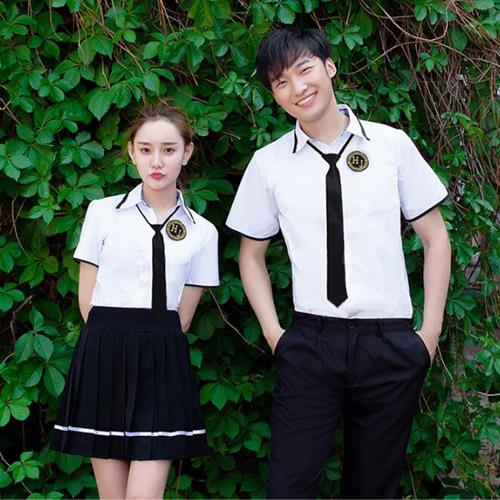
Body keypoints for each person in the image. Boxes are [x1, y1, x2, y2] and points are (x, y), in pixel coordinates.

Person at [226, 27, 451, 499]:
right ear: (274, 94)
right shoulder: (269, 163)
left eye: (304, 69)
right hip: (311, 342)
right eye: (281, 82)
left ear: (329, 66)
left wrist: (428, 333)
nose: (297, 88)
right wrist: (275, 334)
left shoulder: (390, 146)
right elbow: (251, 253)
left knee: (373, 489)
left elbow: (435, 238)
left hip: (388, 341)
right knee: (289, 488)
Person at [50, 103, 219, 499]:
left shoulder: (203, 232)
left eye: (168, 149)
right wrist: (113, 341)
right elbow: (88, 301)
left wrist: (150, 339)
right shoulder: (102, 213)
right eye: (145, 149)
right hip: (104, 352)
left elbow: (183, 318)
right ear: (131, 152)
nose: (156, 161)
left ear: (187, 152)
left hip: (162, 358)